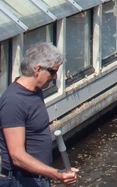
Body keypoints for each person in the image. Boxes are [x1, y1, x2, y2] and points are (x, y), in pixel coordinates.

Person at [0, 43, 79, 185]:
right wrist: (56, 174)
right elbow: (17, 156)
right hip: (21, 180)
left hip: (39, 178)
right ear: (37, 69)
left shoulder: (36, 90)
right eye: (53, 72)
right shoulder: (14, 102)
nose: (55, 77)